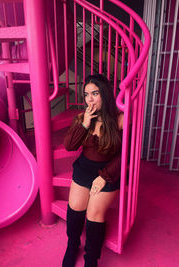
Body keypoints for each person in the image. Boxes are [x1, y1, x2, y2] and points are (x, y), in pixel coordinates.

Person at [62, 74, 123, 267]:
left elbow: (125, 156)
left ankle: (91, 258)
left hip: (108, 172)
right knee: (75, 210)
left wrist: (104, 177)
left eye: (94, 93)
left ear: (104, 94)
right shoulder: (82, 117)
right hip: (83, 170)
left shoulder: (119, 119)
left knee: (94, 215)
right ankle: (72, 246)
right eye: (86, 94)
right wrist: (85, 123)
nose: (89, 99)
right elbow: (69, 146)